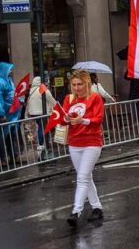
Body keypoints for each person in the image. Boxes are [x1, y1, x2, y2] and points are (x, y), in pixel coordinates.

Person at [62, 70, 105, 227]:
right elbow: (65, 119)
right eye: (74, 84)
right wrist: (65, 118)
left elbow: (98, 119)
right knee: (86, 177)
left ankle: (76, 211)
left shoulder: (95, 98)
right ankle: (97, 207)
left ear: (87, 83)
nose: (77, 87)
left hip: (92, 142)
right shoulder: (69, 98)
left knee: (82, 177)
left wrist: (83, 120)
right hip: (74, 142)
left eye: (80, 84)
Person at [0, 62, 19, 166]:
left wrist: (19, 101)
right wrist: (0, 114)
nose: (11, 72)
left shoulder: (10, 81)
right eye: (9, 69)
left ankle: (14, 156)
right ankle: (2, 159)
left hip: (12, 115)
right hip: (4, 116)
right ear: (4, 70)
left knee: (12, 136)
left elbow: (13, 95)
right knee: (1, 138)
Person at [26, 76, 58, 151]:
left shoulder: (31, 90)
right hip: (41, 112)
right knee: (42, 127)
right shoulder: (43, 89)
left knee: (40, 127)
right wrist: (58, 106)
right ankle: (41, 144)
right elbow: (51, 99)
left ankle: (42, 143)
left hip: (33, 113)